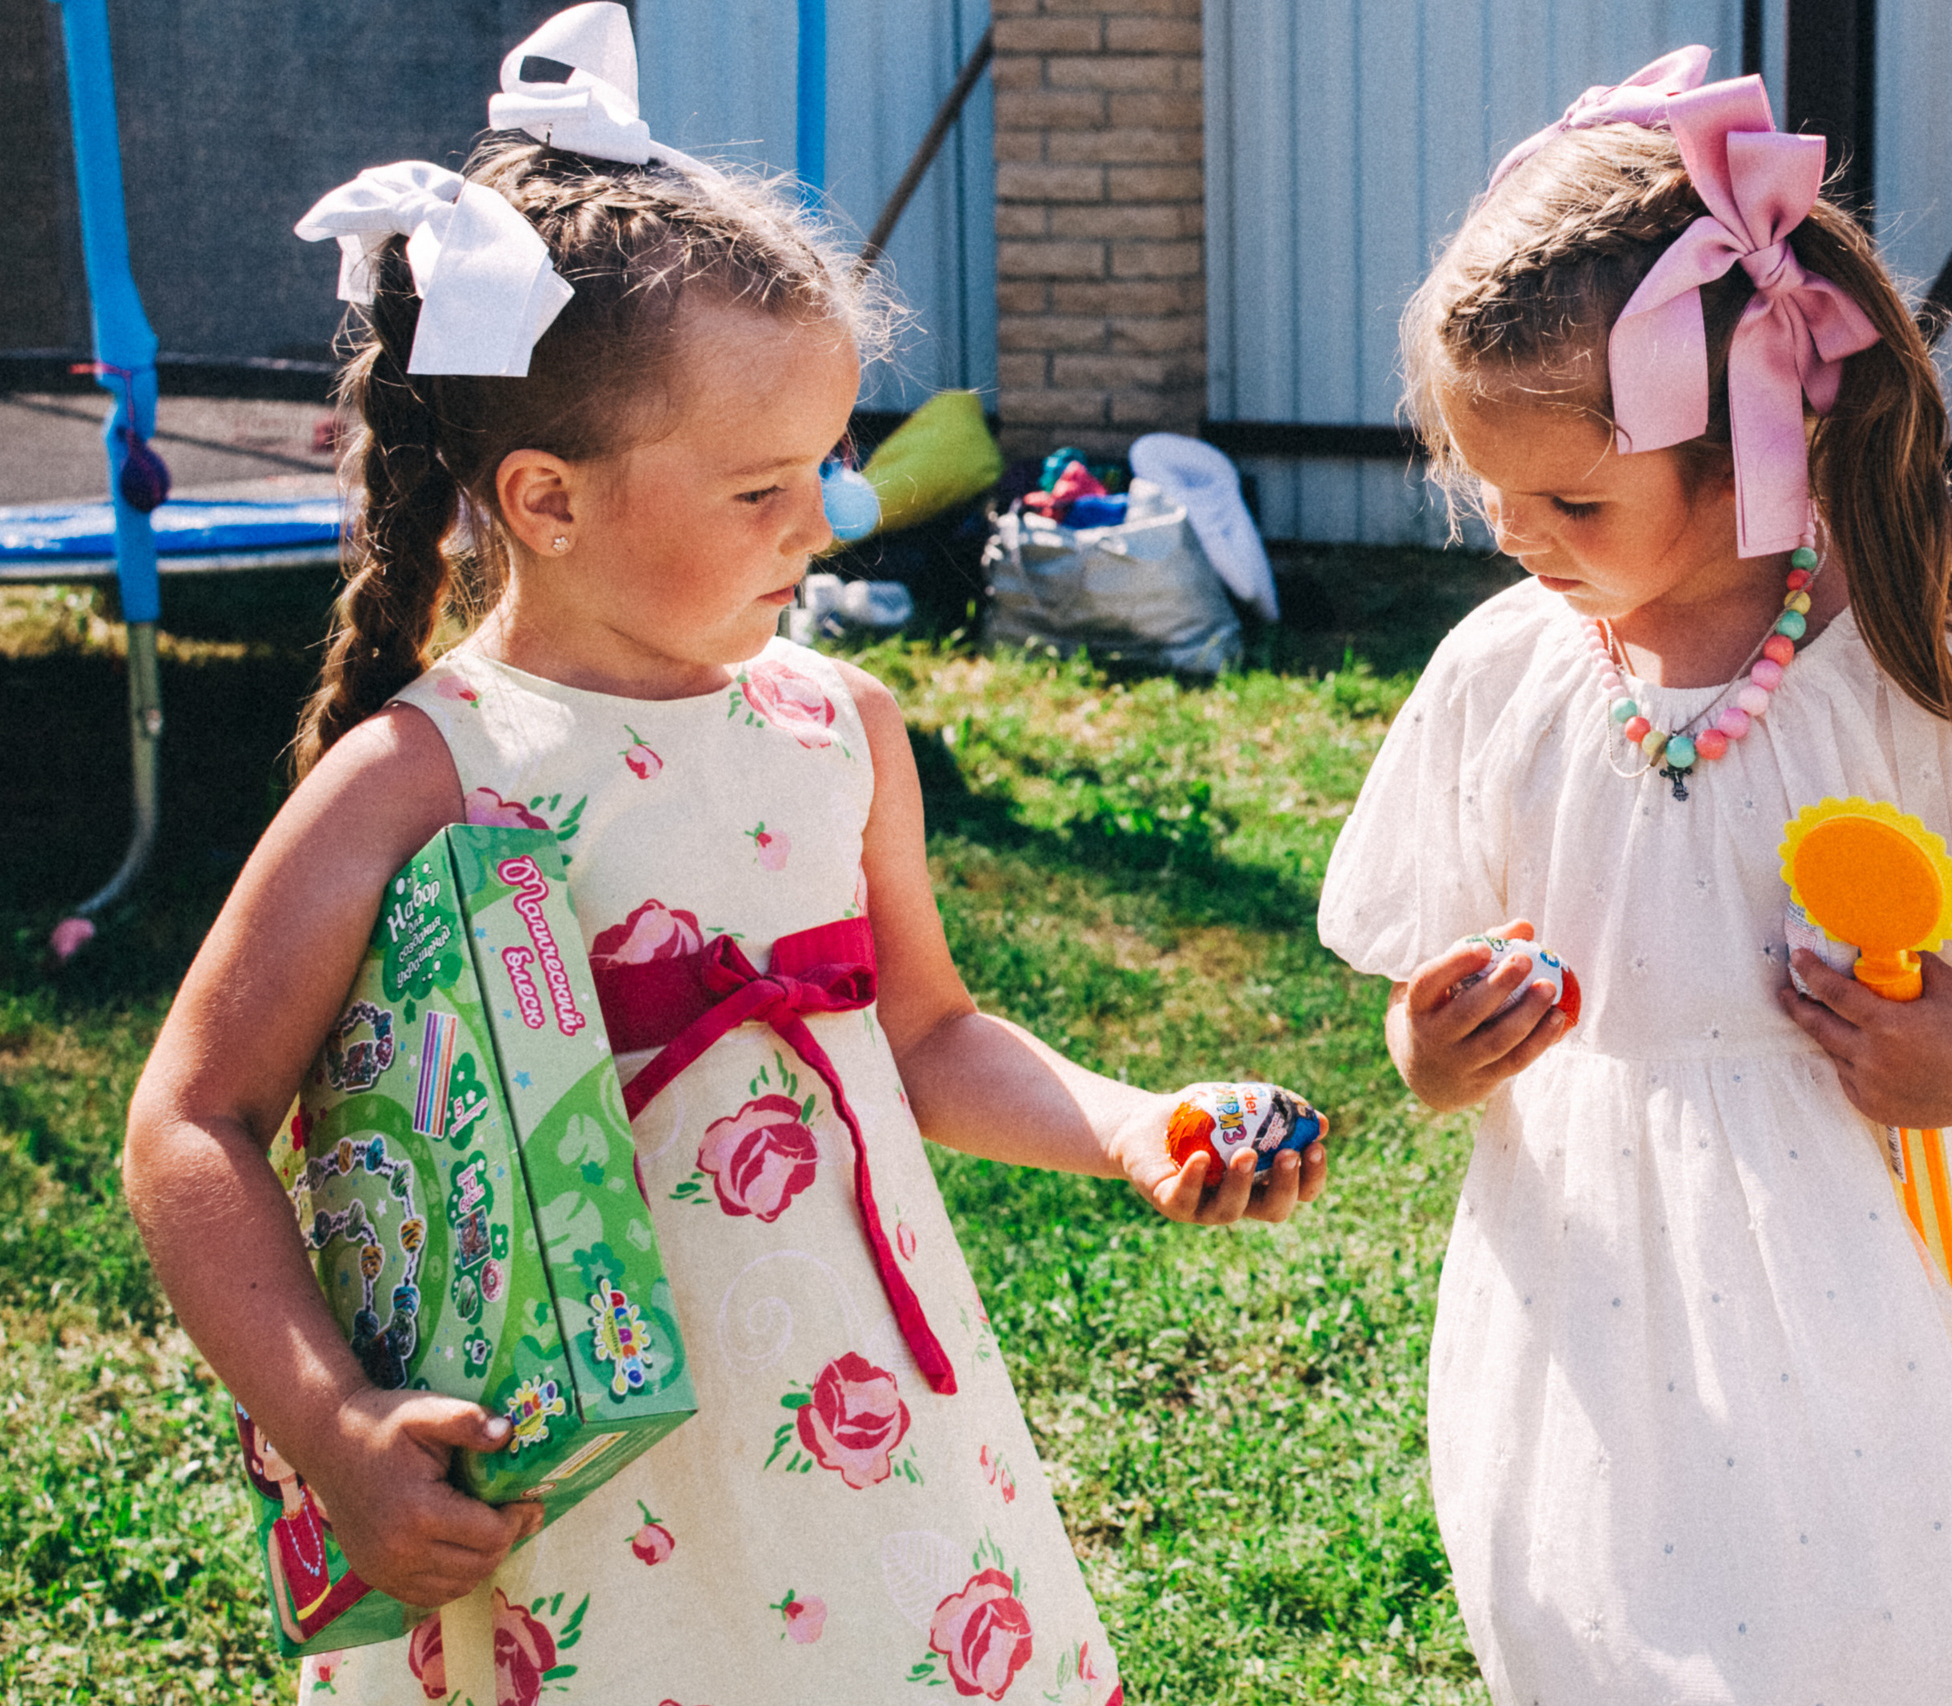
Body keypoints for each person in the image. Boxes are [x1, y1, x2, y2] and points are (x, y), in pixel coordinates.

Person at [121, 9, 1325, 1702]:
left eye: (832, 457)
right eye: (765, 484)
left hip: (860, 1433)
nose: (827, 514)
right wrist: (334, 1425)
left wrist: (1133, 1124)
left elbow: (917, 1035)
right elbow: (192, 1119)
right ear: (545, 498)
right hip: (581, 1489)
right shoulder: (423, 777)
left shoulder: (848, 732)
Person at [1317, 46, 1952, 1706]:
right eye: (1487, 492)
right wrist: (1435, 1049)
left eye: (1571, 498)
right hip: (1586, 1269)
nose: (1517, 535)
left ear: (1750, 443)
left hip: (1857, 1269)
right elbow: (1419, 998)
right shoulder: (1506, 672)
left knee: (1867, 1610)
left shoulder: (1908, 674)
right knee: (1591, 1598)